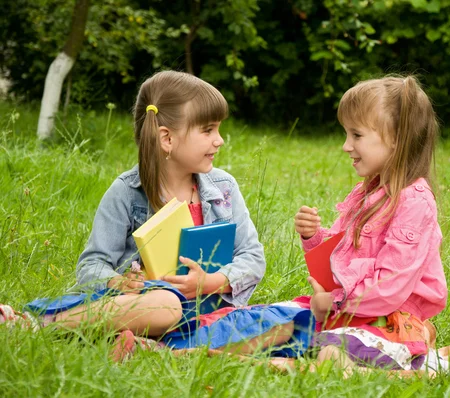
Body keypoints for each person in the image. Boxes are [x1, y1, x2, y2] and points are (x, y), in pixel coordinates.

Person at [1, 71, 294, 354]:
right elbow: (91, 266)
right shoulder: (126, 192)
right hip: (151, 305)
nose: (219, 140)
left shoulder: (224, 187)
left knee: (288, 325)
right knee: (166, 306)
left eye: (218, 129)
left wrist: (212, 281)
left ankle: (146, 345)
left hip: (210, 309)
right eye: (208, 130)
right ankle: (39, 325)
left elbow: (253, 257)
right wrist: (117, 282)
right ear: (167, 139)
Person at [294, 75, 447, 373]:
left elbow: (390, 285)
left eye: (356, 135)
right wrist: (313, 237)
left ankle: (391, 366)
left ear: (396, 139)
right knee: (285, 329)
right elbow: (339, 258)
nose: (345, 146)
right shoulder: (366, 193)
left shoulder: (414, 202)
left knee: (328, 352)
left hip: (392, 320)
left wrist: (335, 303)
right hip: (354, 313)